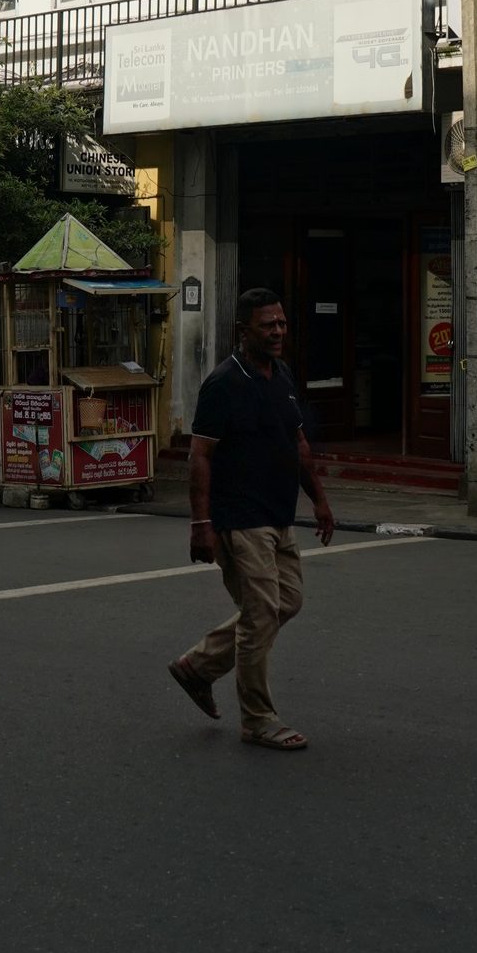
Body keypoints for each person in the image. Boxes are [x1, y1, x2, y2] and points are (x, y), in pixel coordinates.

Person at [169, 288, 335, 752]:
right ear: (245, 332)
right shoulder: (224, 383)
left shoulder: (280, 375)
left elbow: (298, 444)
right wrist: (200, 525)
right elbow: (200, 456)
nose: (279, 331)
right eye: (268, 325)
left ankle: (200, 666)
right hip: (240, 518)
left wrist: (319, 500)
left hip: (279, 515)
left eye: (282, 323)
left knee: (288, 601)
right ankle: (258, 719)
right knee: (262, 612)